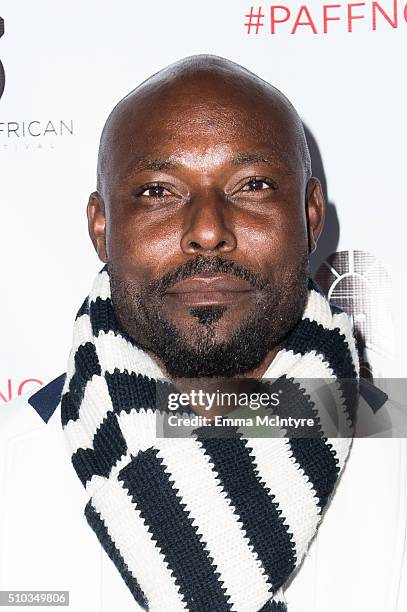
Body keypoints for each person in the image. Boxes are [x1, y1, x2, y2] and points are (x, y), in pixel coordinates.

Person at [0, 55, 406, 612]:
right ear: (101, 228)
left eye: (253, 185)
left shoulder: (397, 464)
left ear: (311, 217)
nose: (209, 230)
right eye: (158, 192)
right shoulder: (10, 467)